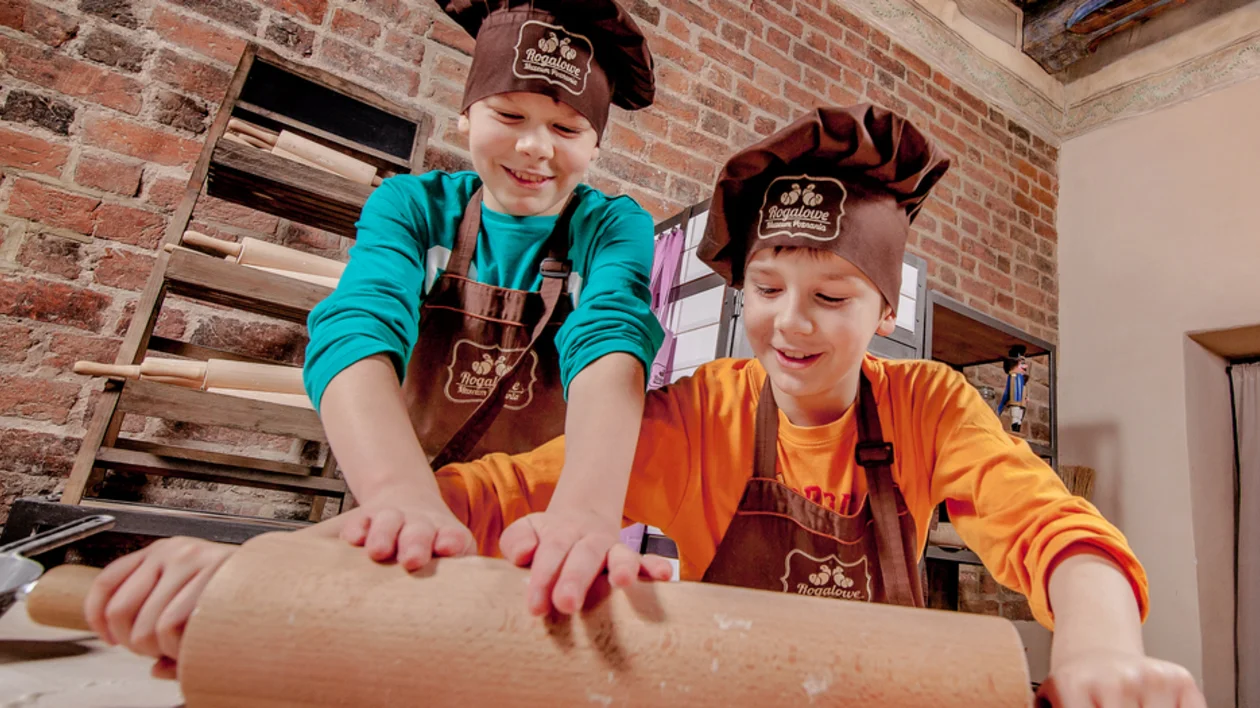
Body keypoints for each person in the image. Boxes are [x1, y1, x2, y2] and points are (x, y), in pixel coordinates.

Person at [85, 104, 1204, 705]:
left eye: (833, 297)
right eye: (767, 290)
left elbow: (1052, 530)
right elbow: (477, 500)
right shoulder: (707, 410)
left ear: (886, 306)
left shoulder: (928, 405)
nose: (793, 326)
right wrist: (268, 572)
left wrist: (1103, 651)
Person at [303, 0, 665, 606]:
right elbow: (356, 329)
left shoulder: (610, 228)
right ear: (467, 114)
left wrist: (586, 511)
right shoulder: (412, 208)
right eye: (509, 114)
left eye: (567, 129)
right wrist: (399, 494)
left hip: (547, 533)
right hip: (411, 510)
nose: (534, 147)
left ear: (596, 146)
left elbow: (612, 339)